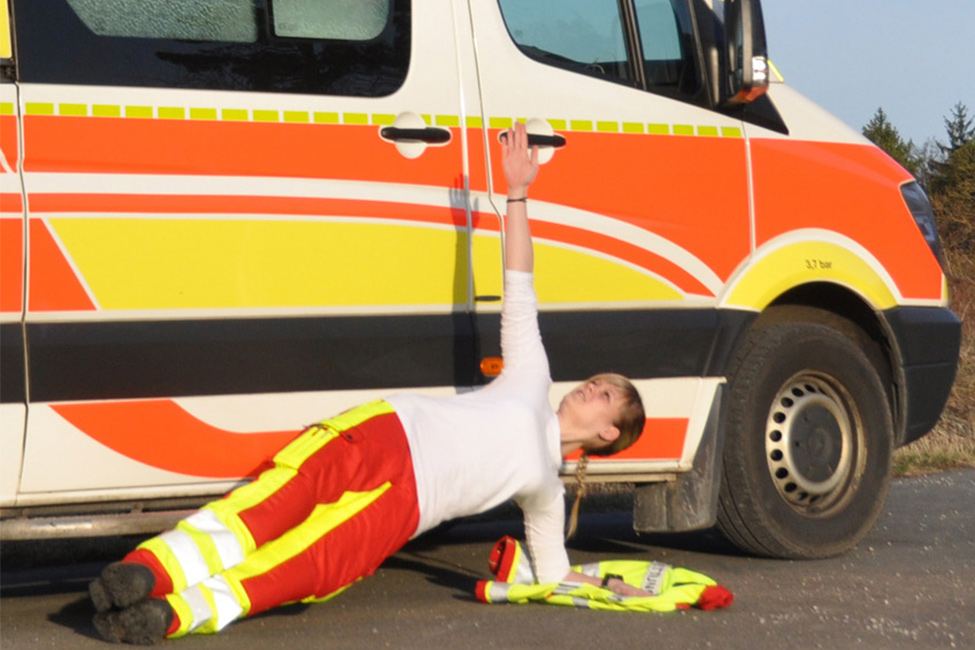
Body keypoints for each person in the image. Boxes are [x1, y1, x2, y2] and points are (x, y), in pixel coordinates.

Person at [88, 123, 647, 645]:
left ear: (607, 433)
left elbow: (553, 574)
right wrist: (517, 194)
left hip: (406, 507)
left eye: (606, 395)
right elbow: (519, 283)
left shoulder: (546, 490)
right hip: (388, 431)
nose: (591, 386)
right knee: (270, 506)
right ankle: (144, 572)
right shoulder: (531, 378)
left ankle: (168, 616)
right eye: (598, 380)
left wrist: (610, 588)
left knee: (305, 567)